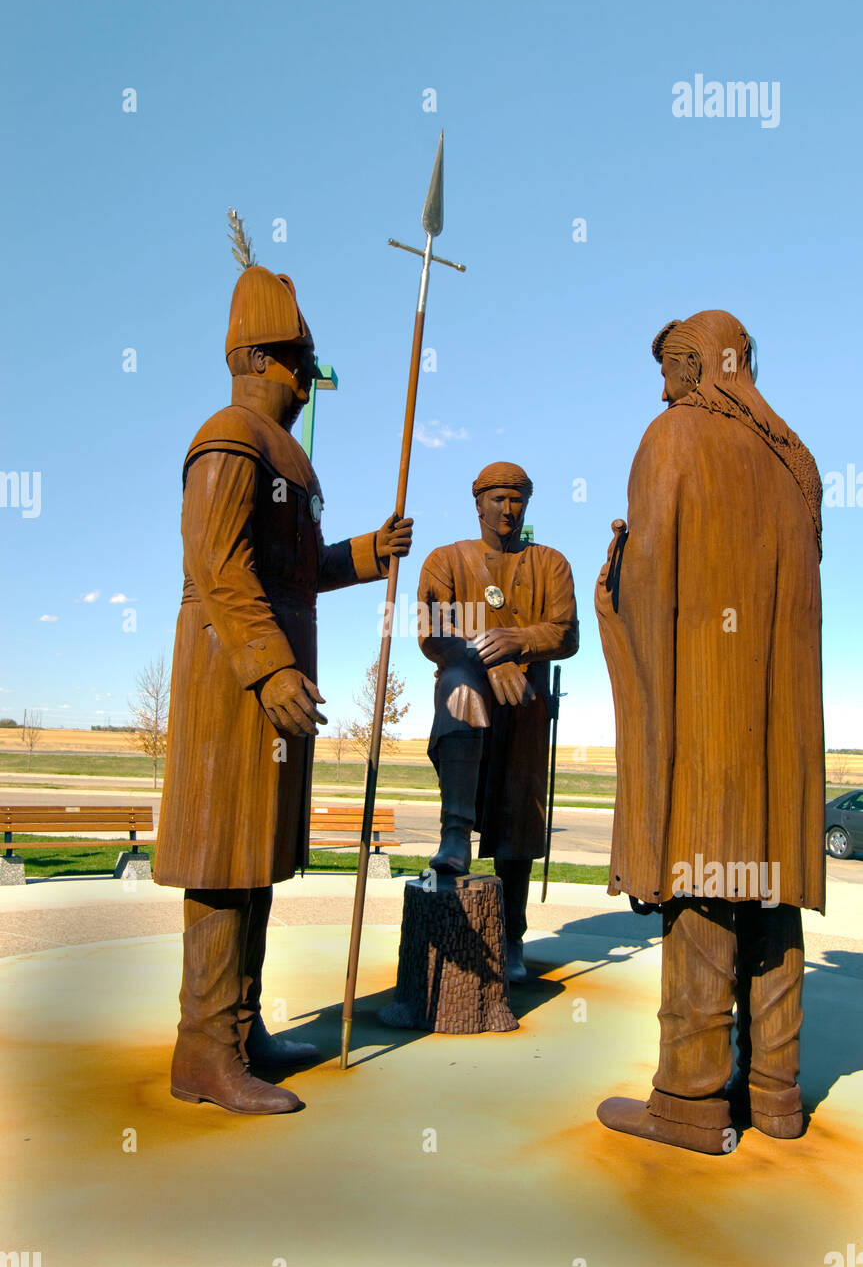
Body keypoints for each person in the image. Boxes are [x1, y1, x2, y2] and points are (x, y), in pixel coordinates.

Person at [154, 264, 412, 1114]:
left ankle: (240, 1027)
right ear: (257, 357)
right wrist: (267, 667)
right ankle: (202, 1049)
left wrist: (370, 551)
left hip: (271, 677)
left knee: (255, 854)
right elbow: (217, 565)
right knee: (224, 855)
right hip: (234, 677)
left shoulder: (281, 455)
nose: (308, 380)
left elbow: (296, 572)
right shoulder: (228, 436)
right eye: (299, 362)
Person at [595, 309, 824, 1154]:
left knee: (703, 877)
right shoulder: (794, 464)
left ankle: (688, 1101)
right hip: (781, 728)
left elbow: (651, 581)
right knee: (767, 892)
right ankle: (774, 1093)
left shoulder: (674, 438)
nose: (661, 387)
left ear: (696, 367)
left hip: (707, 712)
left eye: (667, 369)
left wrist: (612, 588)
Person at [416, 461, 578, 981]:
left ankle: (512, 937)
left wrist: (523, 642)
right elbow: (432, 634)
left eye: (517, 500)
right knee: (459, 686)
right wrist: (493, 658)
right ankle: (455, 833)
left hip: (525, 710)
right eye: (498, 499)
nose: (508, 509)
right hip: (468, 697)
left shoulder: (550, 563)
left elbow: (566, 633)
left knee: (517, 823)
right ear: (478, 502)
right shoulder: (445, 560)